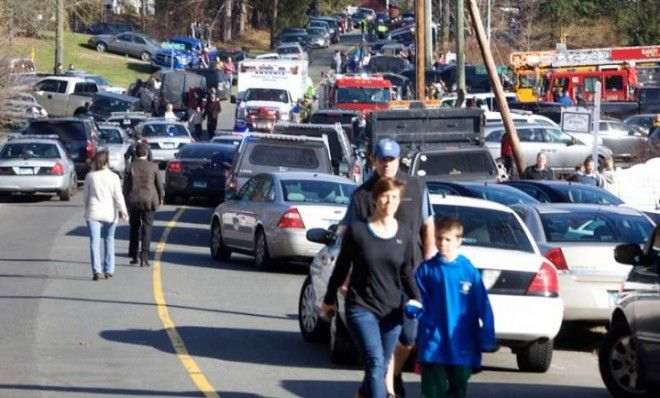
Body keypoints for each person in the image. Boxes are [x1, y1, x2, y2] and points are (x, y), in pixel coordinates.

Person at [341, 138, 436, 398]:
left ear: (399, 160)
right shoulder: (361, 196)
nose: (387, 164)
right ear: (374, 160)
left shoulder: (415, 187)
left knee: (408, 337)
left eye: (391, 159)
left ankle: (387, 377)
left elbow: (428, 225)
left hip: (411, 275)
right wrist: (345, 276)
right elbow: (348, 238)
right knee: (376, 355)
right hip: (373, 282)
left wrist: (429, 263)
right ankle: (386, 388)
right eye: (382, 159)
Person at [322, 178, 420, 398]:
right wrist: (329, 299)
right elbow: (341, 268)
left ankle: (363, 394)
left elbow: (406, 272)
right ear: (375, 199)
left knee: (381, 366)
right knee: (375, 364)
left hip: (392, 311)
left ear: (399, 201)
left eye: (394, 197)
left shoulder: (404, 234)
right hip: (361, 306)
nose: (389, 201)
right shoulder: (358, 231)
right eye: (384, 196)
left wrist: (416, 298)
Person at [415, 217, 496, 398]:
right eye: (439, 238)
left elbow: (482, 302)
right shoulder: (426, 270)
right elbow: (417, 298)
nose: (442, 243)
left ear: (459, 241)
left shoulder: (468, 270)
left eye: (447, 239)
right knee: (432, 390)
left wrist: (488, 332)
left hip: (462, 341)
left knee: (459, 384)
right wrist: (413, 310)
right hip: (433, 339)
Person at [83, 151, 129, 281]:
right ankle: (109, 269)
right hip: (110, 213)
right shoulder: (114, 177)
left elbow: (85, 196)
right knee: (109, 240)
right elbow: (118, 197)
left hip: (93, 211)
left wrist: (86, 209)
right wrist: (124, 211)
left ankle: (96, 270)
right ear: (107, 162)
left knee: (94, 242)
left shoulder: (90, 176)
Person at [123, 143, 163, 267]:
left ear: (136, 153)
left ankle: (134, 256)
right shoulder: (153, 167)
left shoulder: (129, 167)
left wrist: (125, 202)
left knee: (134, 228)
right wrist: (161, 198)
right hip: (149, 200)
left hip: (133, 200)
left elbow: (126, 187)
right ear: (146, 153)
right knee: (147, 228)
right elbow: (159, 186)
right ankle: (144, 258)